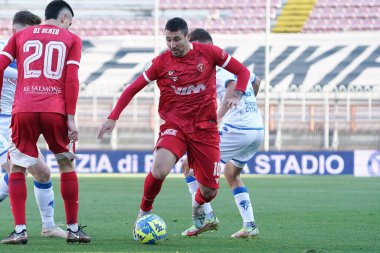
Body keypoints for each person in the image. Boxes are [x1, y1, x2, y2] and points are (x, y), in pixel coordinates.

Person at [98, 17, 250, 238]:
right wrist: (113, 117)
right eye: (168, 40)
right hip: (175, 126)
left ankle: (198, 206)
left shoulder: (209, 53)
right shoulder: (161, 62)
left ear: (188, 37)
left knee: (209, 191)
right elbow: (132, 88)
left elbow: (243, 72)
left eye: (177, 39)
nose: (172, 45)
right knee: (159, 169)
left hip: (205, 129)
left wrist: (237, 94)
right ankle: (143, 214)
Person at [0, 0, 91, 244]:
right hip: (55, 110)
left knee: (18, 167)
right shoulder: (71, 40)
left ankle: (20, 230)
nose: (69, 27)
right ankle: (73, 229)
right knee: (66, 166)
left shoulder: (22, 35)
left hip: (23, 110)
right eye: (69, 23)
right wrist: (71, 118)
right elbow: (72, 79)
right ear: (63, 18)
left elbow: (0, 67)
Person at [181, 28, 264, 238]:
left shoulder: (217, 66)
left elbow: (231, 85)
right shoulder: (232, 63)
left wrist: (218, 117)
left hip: (237, 129)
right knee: (231, 173)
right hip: (256, 128)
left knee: (188, 166)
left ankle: (205, 217)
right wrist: (248, 103)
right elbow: (256, 81)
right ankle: (250, 225)